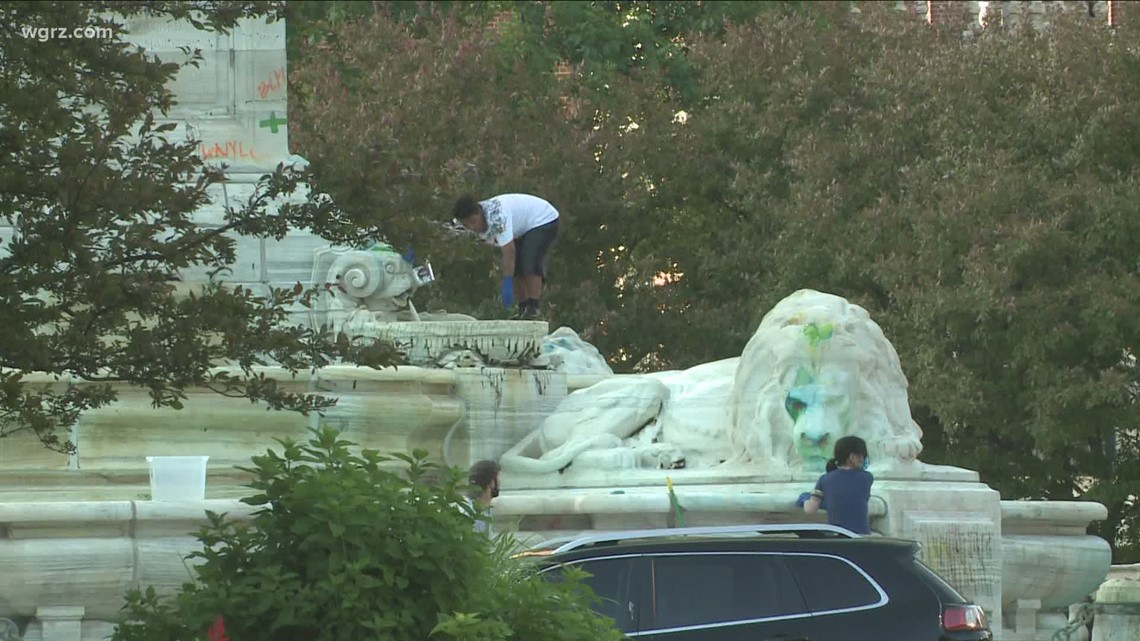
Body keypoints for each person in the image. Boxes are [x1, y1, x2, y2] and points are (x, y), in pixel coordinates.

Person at [451, 193, 561, 320]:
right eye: (467, 225)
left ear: (479, 212)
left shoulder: (498, 217)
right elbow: (447, 228)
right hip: (522, 228)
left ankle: (533, 308)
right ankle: (523, 308)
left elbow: (509, 250)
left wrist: (507, 280)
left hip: (543, 219)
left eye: (473, 222)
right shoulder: (464, 222)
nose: (472, 227)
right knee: (516, 268)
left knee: (529, 261)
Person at [801, 435, 874, 535]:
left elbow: (809, 509)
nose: (863, 459)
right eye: (862, 456)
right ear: (852, 457)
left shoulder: (825, 479)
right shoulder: (867, 478)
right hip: (861, 535)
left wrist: (804, 498)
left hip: (837, 535)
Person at [465, 459, 501, 537]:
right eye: (498, 477)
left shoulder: (485, 509)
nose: (500, 482)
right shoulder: (471, 513)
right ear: (492, 483)